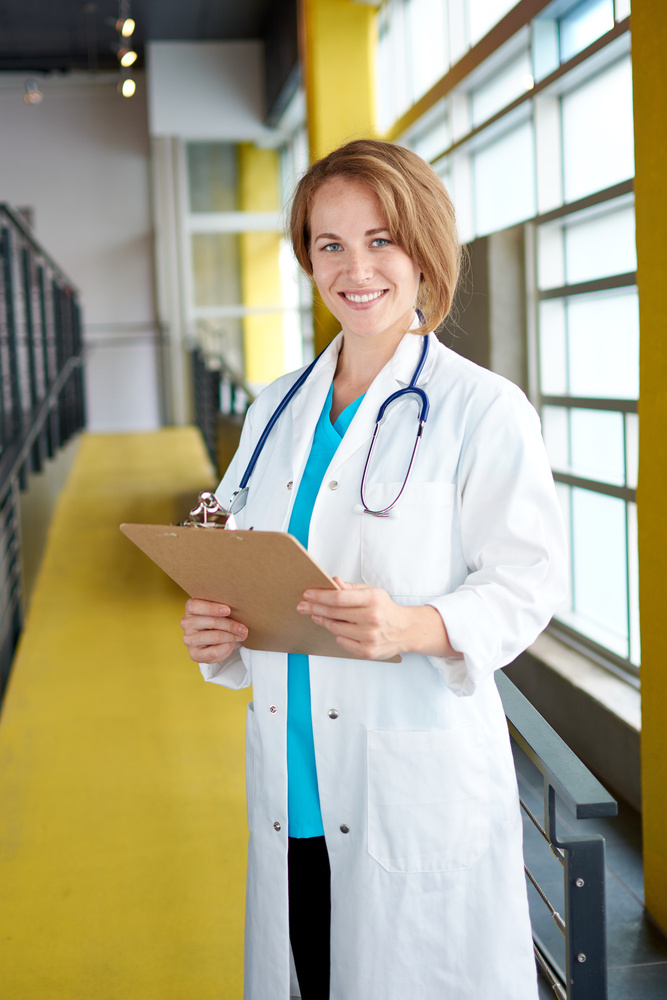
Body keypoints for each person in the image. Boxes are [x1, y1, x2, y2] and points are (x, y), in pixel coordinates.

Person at [180, 138, 565, 1000]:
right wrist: (217, 631)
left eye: (380, 239)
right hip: (293, 787)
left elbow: (525, 582)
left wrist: (413, 626)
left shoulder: (481, 410)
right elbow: (247, 561)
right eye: (330, 244)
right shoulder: (275, 406)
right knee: (309, 976)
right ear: (307, 258)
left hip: (406, 784)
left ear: (423, 248)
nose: (355, 268)